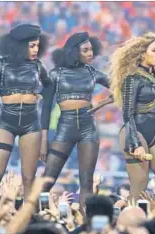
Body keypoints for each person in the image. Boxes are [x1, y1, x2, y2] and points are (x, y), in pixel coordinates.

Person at [40, 32, 111, 208]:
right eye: (86, 50)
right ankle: (32, 217)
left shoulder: (93, 72)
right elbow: (45, 108)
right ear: (74, 52)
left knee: (86, 182)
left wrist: (105, 102)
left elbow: (121, 86)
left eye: (91, 50)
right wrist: (43, 141)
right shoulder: (56, 74)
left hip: (89, 127)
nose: (91, 54)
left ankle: (86, 227)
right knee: (47, 179)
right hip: (65, 126)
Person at [0, 24, 51, 198]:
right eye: (32, 45)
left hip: (31, 123)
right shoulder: (0, 65)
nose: (36, 49)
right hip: (6, 122)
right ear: (20, 45)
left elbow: (50, 88)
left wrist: (41, 94)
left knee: (29, 180)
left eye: (37, 45)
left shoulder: (38, 66)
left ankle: (30, 223)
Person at [109, 32, 155, 201]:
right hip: (134, 134)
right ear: (141, 54)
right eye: (154, 50)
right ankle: (126, 218)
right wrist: (135, 143)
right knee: (139, 185)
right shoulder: (132, 79)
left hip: (153, 136)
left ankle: (151, 210)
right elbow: (127, 114)